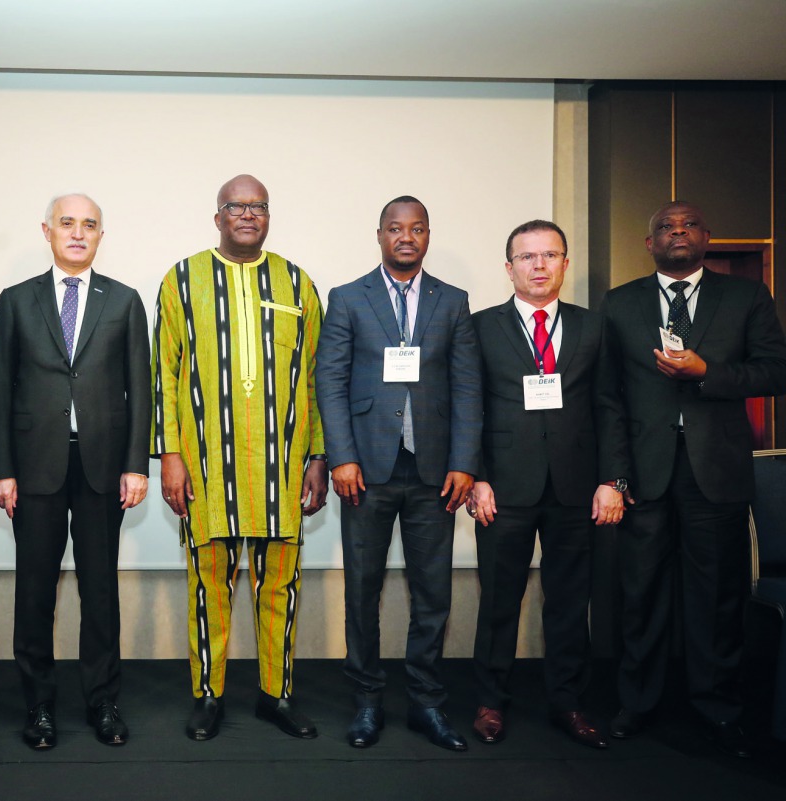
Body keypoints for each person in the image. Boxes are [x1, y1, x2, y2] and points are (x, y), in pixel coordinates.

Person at [601, 201, 786, 758]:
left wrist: (709, 373)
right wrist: (615, 475)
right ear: (649, 242)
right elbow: (609, 399)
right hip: (645, 471)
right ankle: (638, 702)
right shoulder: (620, 302)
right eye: (665, 226)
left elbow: (775, 371)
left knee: (717, 597)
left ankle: (717, 708)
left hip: (717, 471)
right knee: (642, 593)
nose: (676, 233)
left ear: (707, 237)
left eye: (687, 226)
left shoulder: (746, 296)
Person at [151, 174, 328, 741]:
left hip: (281, 466)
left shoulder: (297, 283)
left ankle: (277, 695)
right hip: (208, 467)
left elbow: (317, 378)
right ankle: (209, 695)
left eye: (258, 206)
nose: (248, 215)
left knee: (280, 588)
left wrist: (319, 455)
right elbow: (166, 374)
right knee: (209, 586)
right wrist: (170, 454)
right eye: (236, 206)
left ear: (269, 216)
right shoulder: (182, 279)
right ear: (218, 216)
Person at [0, 193, 151, 749]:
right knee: (35, 593)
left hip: (103, 468)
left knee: (101, 593)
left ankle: (103, 703)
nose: (78, 233)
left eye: (90, 225)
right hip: (34, 470)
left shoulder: (124, 301)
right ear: (47, 231)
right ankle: (39, 707)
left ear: (101, 235)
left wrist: (136, 465)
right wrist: (0, 469)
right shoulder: (15, 300)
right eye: (67, 223)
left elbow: (140, 390)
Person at [315, 195, 481, 751]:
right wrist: (341, 456)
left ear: (428, 235)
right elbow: (330, 382)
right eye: (395, 228)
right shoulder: (347, 298)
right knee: (363, 590)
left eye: (416, 229)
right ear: (379, 235)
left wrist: (463, 461)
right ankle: (366, 701)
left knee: (432, 591)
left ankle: (427, 704)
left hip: (435, 472)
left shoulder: (452, 301)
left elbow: (466, 387)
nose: (405, 237)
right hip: (366, 469)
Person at [467, 220, 627, 749]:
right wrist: (477, 477)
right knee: (499, 602)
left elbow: (609, 407)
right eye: (527, 257)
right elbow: (470, 407)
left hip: (576, 488)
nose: (539, 265)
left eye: (550, 255)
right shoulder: (479, 327)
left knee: (567, 601)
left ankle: (568, 702)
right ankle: (491, 701)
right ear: (508, 267)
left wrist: (612, 480)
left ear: (565, 263)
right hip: (503, 489)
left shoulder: (593, 328)